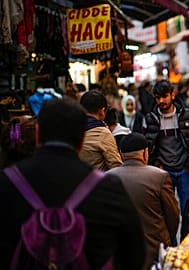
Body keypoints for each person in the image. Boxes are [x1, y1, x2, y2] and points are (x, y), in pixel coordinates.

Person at [0, 99, 145, 269]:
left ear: (38, 135)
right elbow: (134, 255)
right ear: (82, 139)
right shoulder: (107, 187)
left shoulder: (6, 183)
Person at [107, 133, 179, 269]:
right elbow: (173, 215)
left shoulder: (108, 177)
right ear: (145, 153)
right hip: (154, 251)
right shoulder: (159, 177)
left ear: (121, 154)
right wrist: (166, 240)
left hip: (121, 251)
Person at [143, 80, 189, 215]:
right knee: (166, 213)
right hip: (163, 172)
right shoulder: (150, 119)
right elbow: (146, 145)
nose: (161, 100)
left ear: (172, 95)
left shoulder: (186, 116)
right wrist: (156, 164)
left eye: (165, 96)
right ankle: (172, 238)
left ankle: (188, 237)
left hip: (184, 170)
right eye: (158, 97)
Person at [79, 90, 123, 171]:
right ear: (102, 111)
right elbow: (115, 166)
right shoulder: (102, 133)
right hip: (95, 182)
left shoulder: (71, 129)